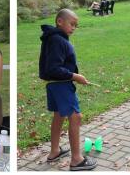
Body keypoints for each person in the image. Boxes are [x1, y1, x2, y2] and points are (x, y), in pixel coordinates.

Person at [39, 9, 97, 171]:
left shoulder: (54, 38)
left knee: (59, 115)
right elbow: (53, 68)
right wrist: (75, 76)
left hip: (54, 85)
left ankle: (54, 151)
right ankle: (77, 160)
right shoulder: (57, 40)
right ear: (59, 21)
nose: (73, 28)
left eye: (76, 26)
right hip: (61, 84)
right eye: (71, 24)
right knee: (75, 117)